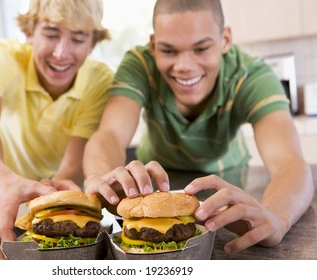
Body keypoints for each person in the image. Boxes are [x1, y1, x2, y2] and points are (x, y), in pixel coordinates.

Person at [83, 0, 314, 253]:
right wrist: (102, 178)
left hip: (230, 185)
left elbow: (290, 163)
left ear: (224, 40)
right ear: (153, 45)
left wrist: (278, 217)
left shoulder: (251, 74)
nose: (184, 66)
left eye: (201, 48)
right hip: (155, 189)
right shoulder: (139, 63)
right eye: (169, 51)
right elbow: (110, 135)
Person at [0, 0, 113, 260]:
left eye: (78, 39)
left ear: (93, 44)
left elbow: (72, 165)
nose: (61, 53)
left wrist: (57, 194)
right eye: (51, 35)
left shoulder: (100, 81)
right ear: (29, 32)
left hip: (58, 198)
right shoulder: (1, 57)